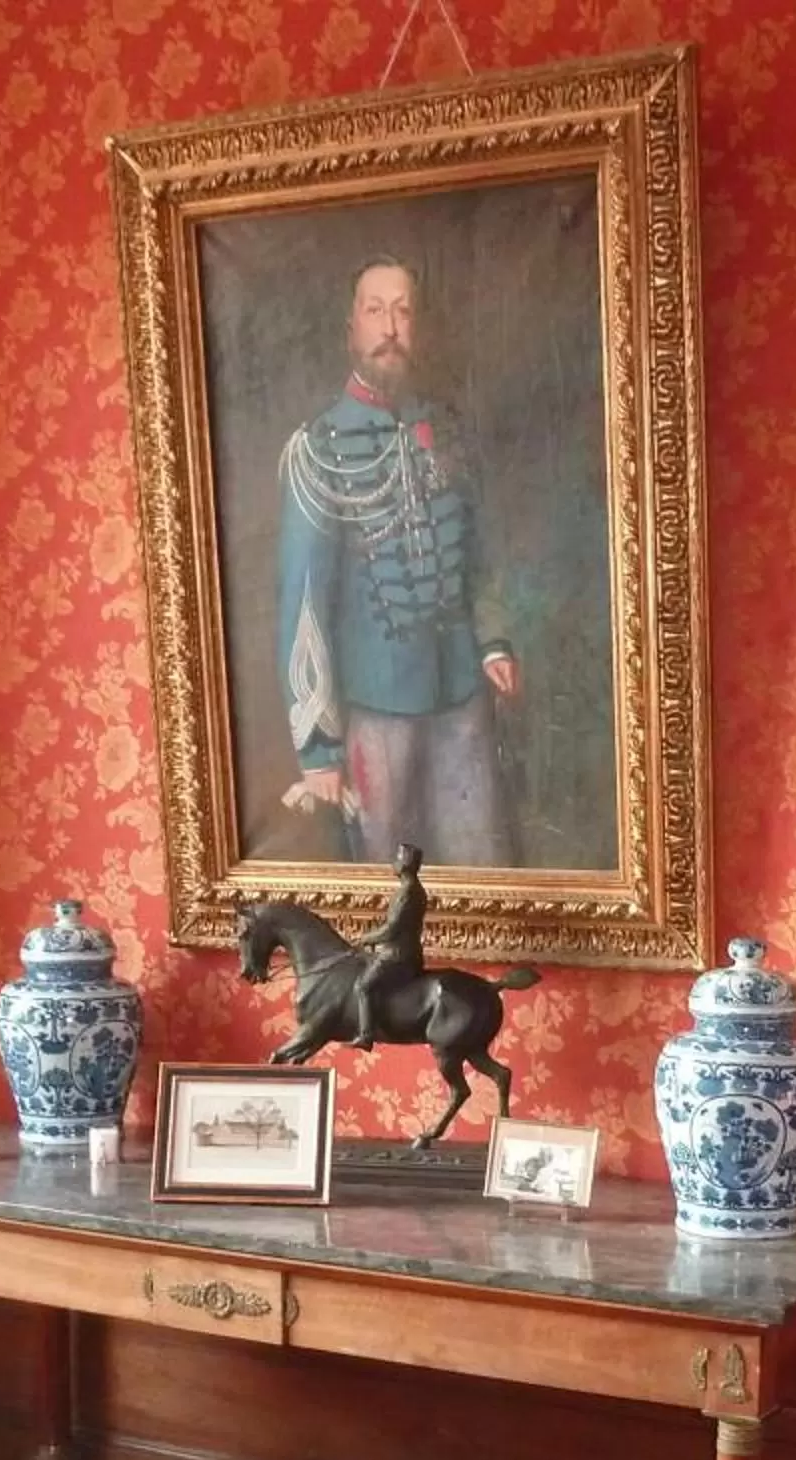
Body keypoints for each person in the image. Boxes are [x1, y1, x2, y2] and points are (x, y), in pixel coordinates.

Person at [274, 257, 521, 866]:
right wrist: (319, 750)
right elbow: (302, 602)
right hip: (376, 703)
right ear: (351, 329)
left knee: (481, 868)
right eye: (375, 309)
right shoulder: (318, 449)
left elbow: (478, 552)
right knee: (388, 885)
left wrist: (492, 642)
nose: (390, 326)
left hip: (462, 691)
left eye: (403, 310)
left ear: (419, 329)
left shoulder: (449, 432)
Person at [346, 844, 427, 1049]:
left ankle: (366, 1035)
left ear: (405, 864)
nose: (394, 863)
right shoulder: (412, 890)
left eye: (397, 859)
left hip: (398, 956)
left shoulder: (407, 893)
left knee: (363, 986)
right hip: (401, 952)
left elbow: (392, 929)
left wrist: (366, 938)